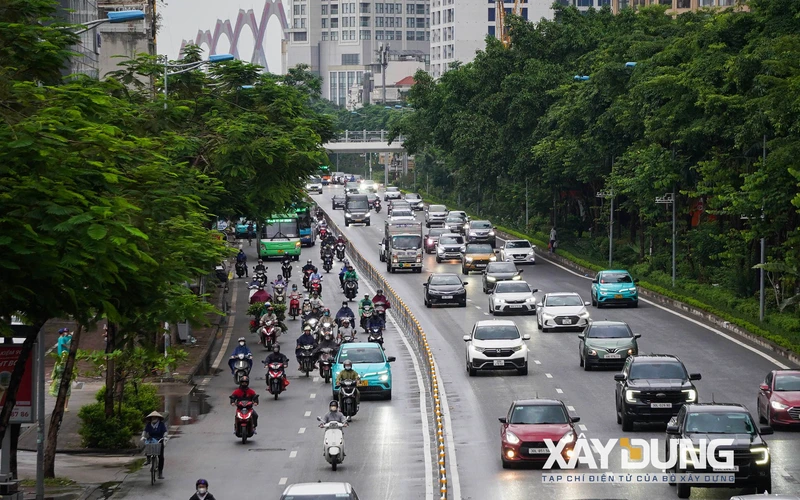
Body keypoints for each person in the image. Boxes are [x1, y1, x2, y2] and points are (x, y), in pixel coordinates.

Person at [141, 411, 168, 478]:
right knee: (147, 446)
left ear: (158, 418)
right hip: (151, 440)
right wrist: (143, 437)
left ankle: (160, 472)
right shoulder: (149, 424)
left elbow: (165, 432)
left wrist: (165, 437)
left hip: (159, 440)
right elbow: (145, 431)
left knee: (161, 457)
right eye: (152, 417)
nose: (154, 418)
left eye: (155, 417)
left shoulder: (161, 424)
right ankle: (148, 459)